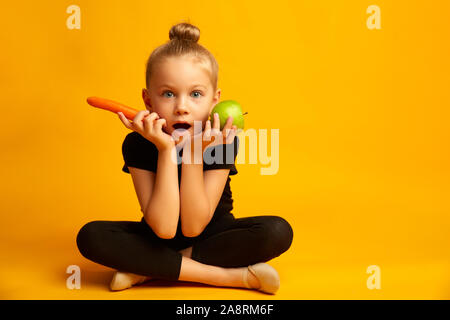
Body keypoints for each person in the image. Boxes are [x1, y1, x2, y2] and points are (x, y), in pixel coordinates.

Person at [76, 22, 293, 295]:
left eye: (195, 94)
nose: (181, 107)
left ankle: (148, 268)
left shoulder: (222, 140)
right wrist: (166, 150)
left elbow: (193, 226)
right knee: (91, 237)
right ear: (148, 101)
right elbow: (165, 228)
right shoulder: (137, 143)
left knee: (276, 231)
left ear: (214, 101)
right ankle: (233, 278)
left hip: (214, 237)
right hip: (157, 237)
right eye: (168, 94)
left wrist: (193, 152)